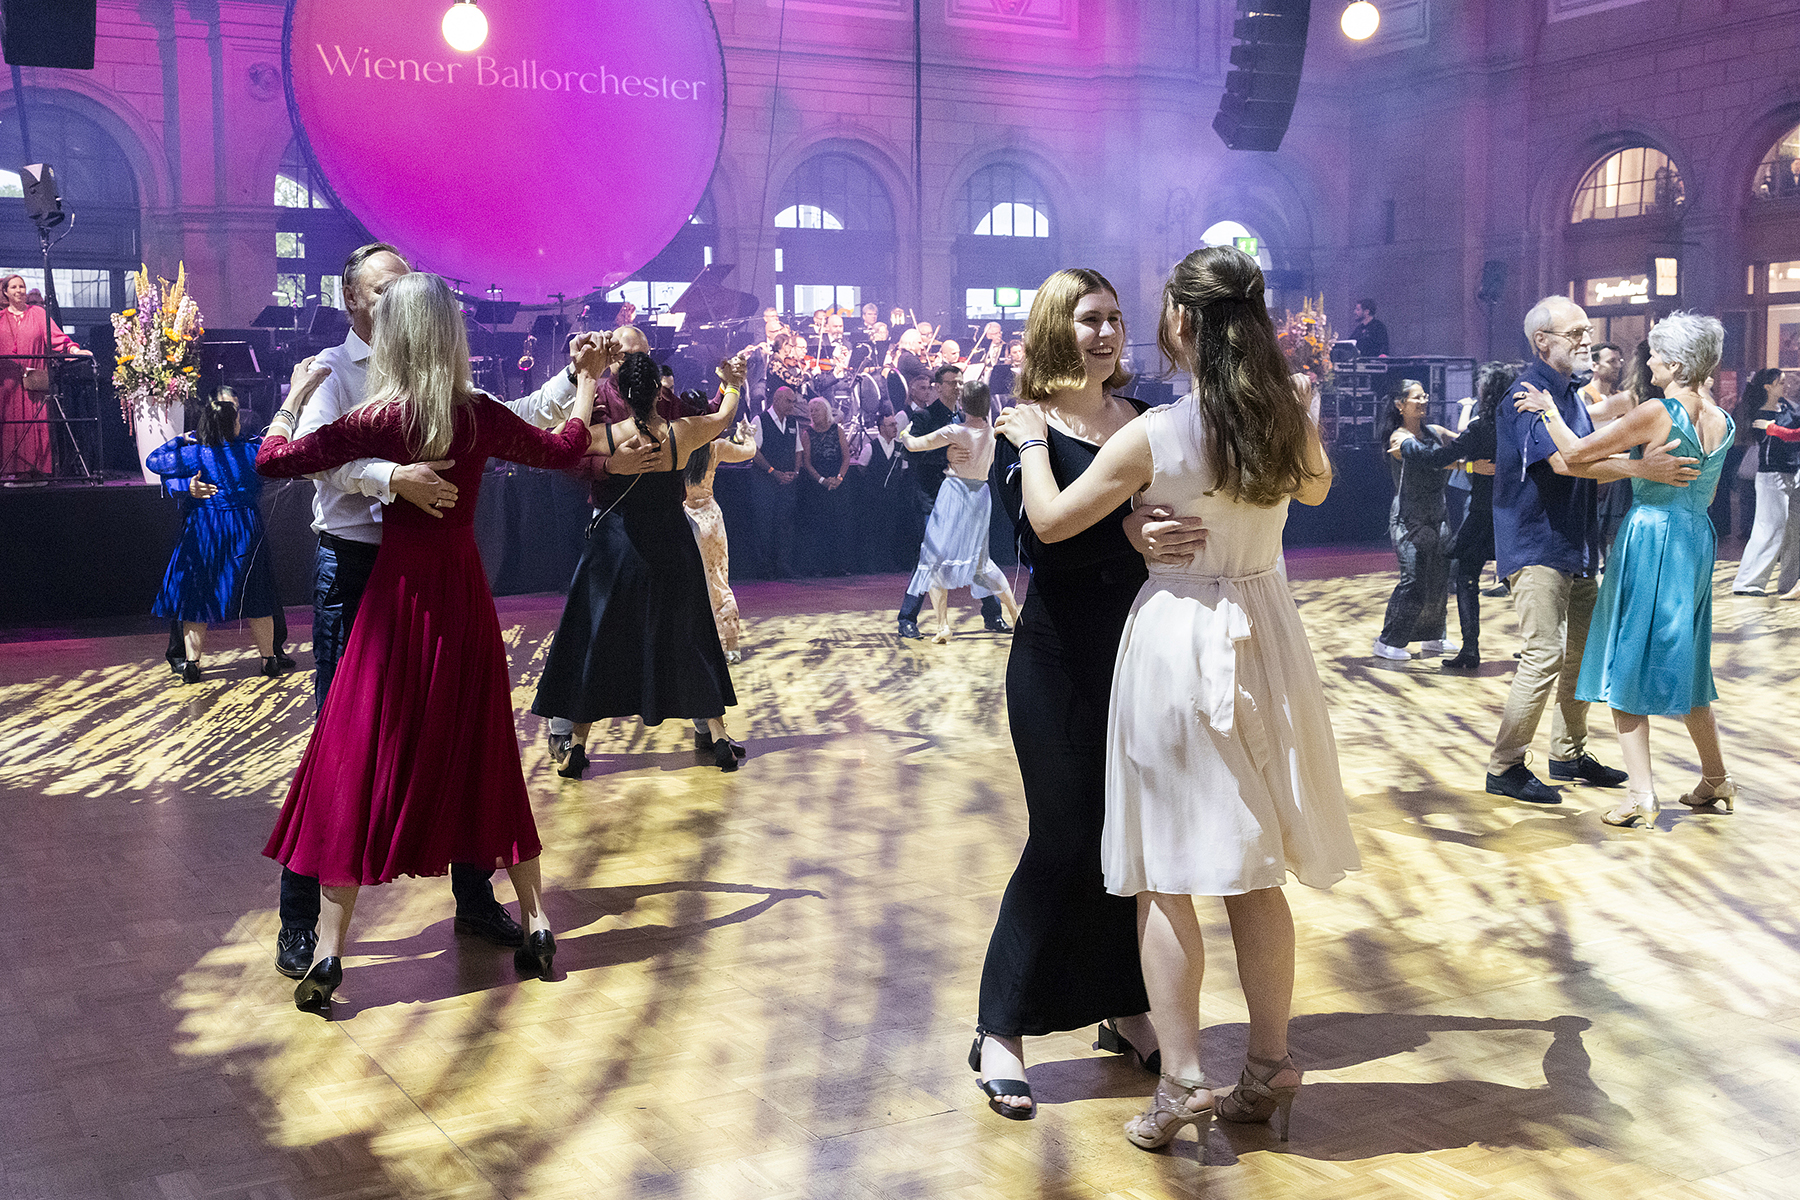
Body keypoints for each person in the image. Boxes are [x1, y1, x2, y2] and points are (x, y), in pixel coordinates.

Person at [995, 245, 1360, 1149]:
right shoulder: (1283, 420)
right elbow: (1314, 487)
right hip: (1267, 635)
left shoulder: (1157, 434)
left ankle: (1184, 1082)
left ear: (1182, 325)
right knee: (1256, 866)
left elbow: (1046, 520)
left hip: (1180, 639)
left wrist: (1035, 443)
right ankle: (1269, 1065)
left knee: (1163, 871)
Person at [268, 243, 630, 982]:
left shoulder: (397, 408)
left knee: (396, 746)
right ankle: (303, 929)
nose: (390, 296)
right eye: (380, 286)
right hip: (374, 573)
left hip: (404, 586)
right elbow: (556, 445)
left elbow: (279, 457)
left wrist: (574, 377)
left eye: (399, 288)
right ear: (352, 299)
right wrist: (392, 477)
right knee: (356, 747)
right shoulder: (356, 379)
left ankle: (444, 910)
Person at [969, 268, 1159, 1123]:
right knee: (1061, 839)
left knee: (1127, 841)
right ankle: (999, 1027)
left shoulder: (1143, 417)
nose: (1107, 332)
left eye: (1115, 318)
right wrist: (1126, 525)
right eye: (1089, 319)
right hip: (1053, 659)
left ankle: (1123, 1006)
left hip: (1137, 652)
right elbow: (1047, 543)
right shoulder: (1025, 426)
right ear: (1056, 326)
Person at [1513, 312, 1738, 827]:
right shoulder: (1720, 417)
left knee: (1624, 663)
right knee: (1688, 665)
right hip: (1696, 539)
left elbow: (1572, 454)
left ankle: (1641, 795)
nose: (1649, 359)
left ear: (1676, 362)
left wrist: (1548, 408)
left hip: (1652, 536)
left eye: (1655, 353)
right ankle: (1716, 778)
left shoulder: (1658, 411)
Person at [1484, 296, 1700, 806]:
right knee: (1544, 654)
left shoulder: (1569, 395)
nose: (1587, 339)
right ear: (1543, 341)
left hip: (1575, 546)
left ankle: (1568, 753)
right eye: (1576, 332)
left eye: (1586, 331)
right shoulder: (1527, 393)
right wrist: (1641, 468)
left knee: (1580, 656)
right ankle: (1505, 766)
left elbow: (1588, 446)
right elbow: (1565, 463)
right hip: (1537, 545)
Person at [531, 351, 748, 776]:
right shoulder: (681, 432)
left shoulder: (609, 435)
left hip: (617, 548)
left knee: (598, 641)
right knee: (692, 635)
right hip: (671, 545)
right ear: (658, 391)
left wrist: (586, 385)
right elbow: (723, 416)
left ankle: (576, 744)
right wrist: (733, 380)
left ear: (624, 394)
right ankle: (719, 737)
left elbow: (560, 447)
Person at [146, 389, 287, 682]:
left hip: (204, 529)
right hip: (245, 527)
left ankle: (192, 664)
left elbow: (154, 460)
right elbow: (279, 456)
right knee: (257, 594)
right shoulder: (252, 451)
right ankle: (269, 659)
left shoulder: (195, 453)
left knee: (197, 597)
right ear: (231, 424)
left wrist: (181, 439)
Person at [897, 378, 1021, 642]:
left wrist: (905, 433)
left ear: (964, 403)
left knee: (933, 557)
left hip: (954, 494)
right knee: (982, 562)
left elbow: (914, 445)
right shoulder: (994, 432)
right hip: (980, 495)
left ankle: (943, 626)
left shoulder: (956, 431)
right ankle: (1015, 615)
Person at [1371, 379, 1458, 660]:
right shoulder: (1398, 437)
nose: (1423, 402)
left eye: (1425, 397)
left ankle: (1433, 636)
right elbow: (1424, 457)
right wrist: (1465, 465)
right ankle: (1388, 641)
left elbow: (1463, 440)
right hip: (1411, 518)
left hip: (1438, 513)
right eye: (1416, 398)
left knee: (1439, 578)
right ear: (1400, 405)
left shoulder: (1434, 431)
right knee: (1414, 580)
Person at [1440, 364, 1510, 670]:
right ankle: (1545, 647)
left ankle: (1470, 649)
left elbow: (1444, 456)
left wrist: (1410, 449)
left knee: (1466, 576)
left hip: (1483, 514)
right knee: (1523, 580)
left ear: (1487, 393)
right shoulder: (1520, 427)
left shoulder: (1482, 428)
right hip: (1513, 516)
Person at [1, 272, 94, 481]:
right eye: (14, 287)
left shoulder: (38, 314)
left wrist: (74, 351)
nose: (19, 290)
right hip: (7, 384)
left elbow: (58, 339)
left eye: (21, 286)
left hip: (34, 380)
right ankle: (11, 473)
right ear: (5, 292)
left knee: (36, 423)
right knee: (10, 424)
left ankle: (35, 472)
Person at [684, 419, 757, 664]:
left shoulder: (677, 444)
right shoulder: (715, 448)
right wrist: (746, 435)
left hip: (683, 519)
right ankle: (732, 647)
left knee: (688, 585)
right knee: (718, 582)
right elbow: (749, 452)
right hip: (710, 520)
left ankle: (695, 647)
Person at [1731, 368, 1800, 597]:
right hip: (1772, 476)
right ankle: (1748, 582)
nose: (1785, 385)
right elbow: (1787, 434)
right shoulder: (1759, 415)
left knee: (1795, 531)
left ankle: (1790, 583)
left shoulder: (1788, 407)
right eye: (1780, 382)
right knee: (1770, 529)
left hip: (1794, 473)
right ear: (1767, 387)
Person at [749, 385, 804, 578]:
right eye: (789, 401)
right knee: (764, 524)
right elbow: (754, 451)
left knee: (785, 523)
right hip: (765, 482)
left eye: (794, 402)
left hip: (787, 482)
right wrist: (773, 472)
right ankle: (764, 567)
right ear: (777, 400)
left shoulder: (792, 423)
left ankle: (783, 564)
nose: (792, 405)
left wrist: (795, 471)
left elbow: (798, 449)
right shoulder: (760, 420)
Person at [799, 397, 853, 575]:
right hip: (817, 484)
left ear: (826, 411)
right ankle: (819, 567)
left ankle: (840, 565)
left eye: (817, 410)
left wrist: (839, 478)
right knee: (819, 526)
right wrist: (822, 480)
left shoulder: (837, 430)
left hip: (837, 480)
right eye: (811, 410)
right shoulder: (807, 433)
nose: (813, 413)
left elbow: (846, 457)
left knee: (840, 524)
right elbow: (807, 463)